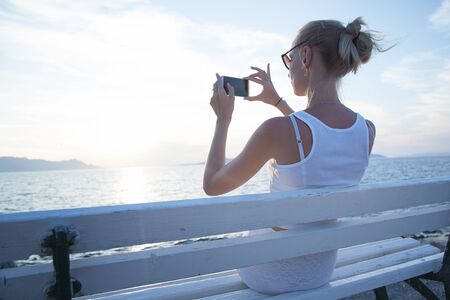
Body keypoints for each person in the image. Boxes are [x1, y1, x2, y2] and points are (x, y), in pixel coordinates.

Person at [203, 17, 389, 295]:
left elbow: (213, 185)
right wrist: (278, 102)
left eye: (288, 60)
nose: (288, 71)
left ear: (306, 55)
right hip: (320, 270)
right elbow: (318, 141)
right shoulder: (367, 131)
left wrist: (223, 120)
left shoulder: (276, 131)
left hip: (269, 275)